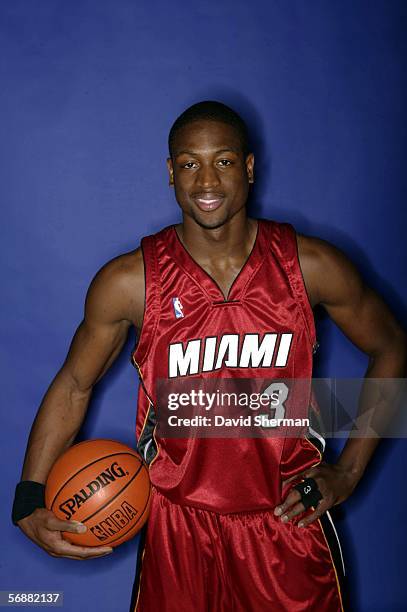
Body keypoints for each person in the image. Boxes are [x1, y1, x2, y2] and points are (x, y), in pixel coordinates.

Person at [12, 101, 406, 611]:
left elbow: (391, 348)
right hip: (176, 527)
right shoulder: (129, 282)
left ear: (247, 167)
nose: (206, 181)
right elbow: (74, 384)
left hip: (286, 523)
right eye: (189, 163)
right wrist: (29, 496)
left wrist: (348, 471)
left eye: (222, 161)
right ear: (170, 172)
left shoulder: (311, 266)